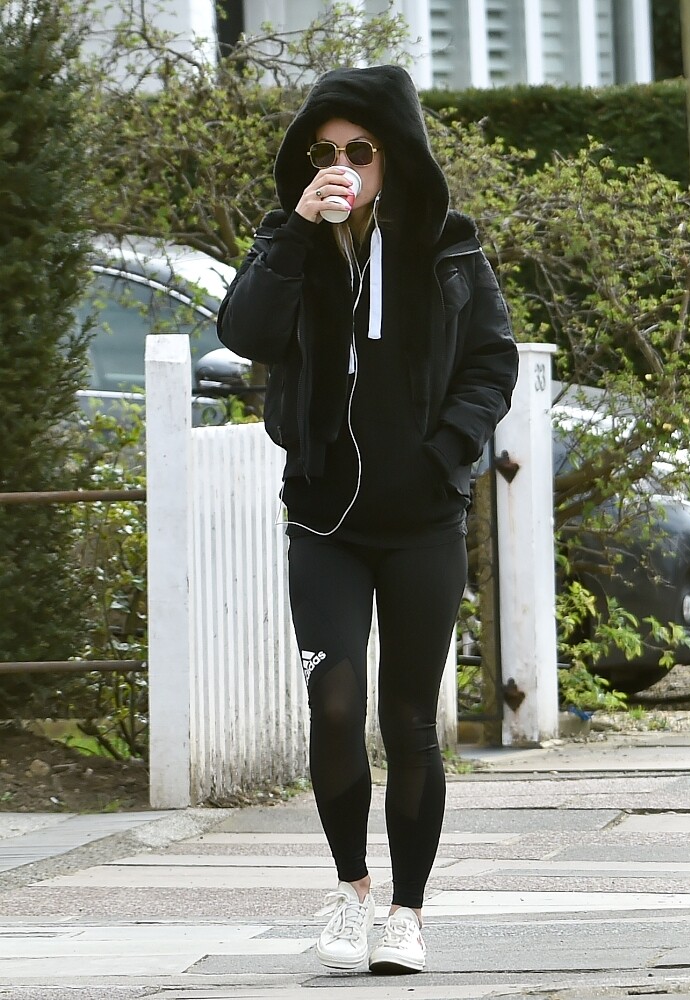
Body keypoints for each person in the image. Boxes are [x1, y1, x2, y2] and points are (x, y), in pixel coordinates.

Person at [217, 64, 518, 975]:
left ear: (395, 157)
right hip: (325, 522)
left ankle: (407, 915)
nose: (341, 164)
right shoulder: (290, 240)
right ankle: (351, 893)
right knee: (336, 704)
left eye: (360, 150)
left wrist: (446, 451)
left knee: (411, 719)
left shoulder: (448, 247)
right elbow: (245, 334)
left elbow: (492, 361)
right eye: (324, 152)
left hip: (423, 522)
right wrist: (298, 230)